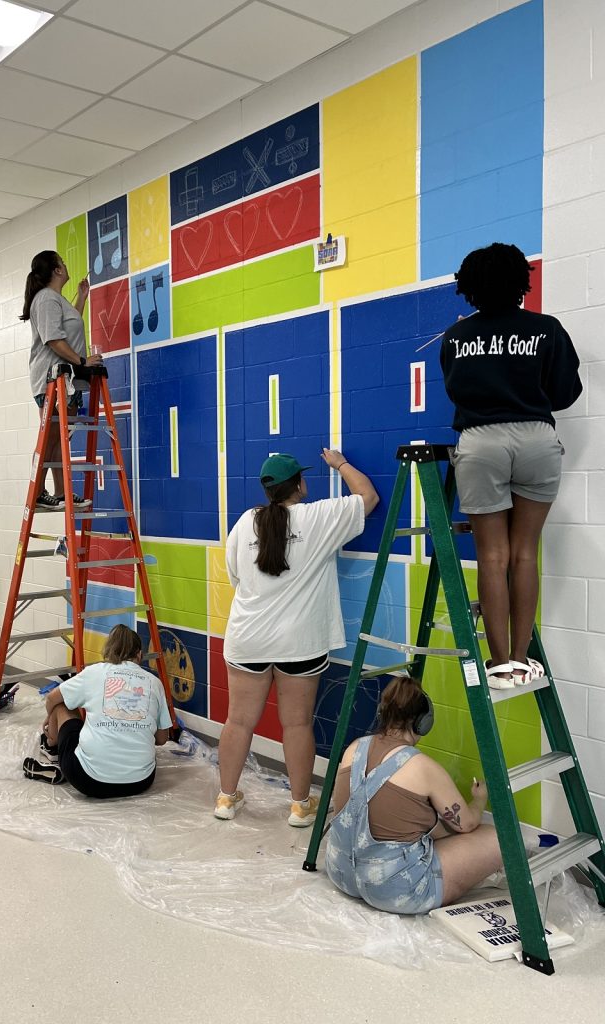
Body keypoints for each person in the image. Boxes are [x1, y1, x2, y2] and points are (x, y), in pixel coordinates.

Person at [440, 243, 582, 689]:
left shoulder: (456, 337)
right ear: (521, 280)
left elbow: (455, 391)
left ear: (470, 287)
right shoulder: (547, 329)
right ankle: (522, 659)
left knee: (492, 555)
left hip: (481, 442)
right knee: (524, 554)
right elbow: (565, 392)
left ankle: (499, 664)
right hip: (537, 438)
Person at [216, 449, 378, 825]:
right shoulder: (319, 516)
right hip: (299, 642)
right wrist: (340, 464)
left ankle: (225, 800)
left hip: (248, 637)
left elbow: (235, 575)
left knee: (238, 722)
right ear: (300, 485)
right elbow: (367, 497)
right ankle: (300, 806)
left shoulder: (245, 523)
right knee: (298, 724)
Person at [325, 675, 503, 914]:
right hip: (394, 892)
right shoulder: (423, 767)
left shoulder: (355, 748)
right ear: (423, 723)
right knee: (500, 840)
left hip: (342, 873)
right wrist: (479, 800)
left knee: (421, 825)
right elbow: (467, 824)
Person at [22, 625, 172, 796]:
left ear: (108, 651)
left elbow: (51, 698)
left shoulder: (94, 672)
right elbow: (161, 739)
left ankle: (52, 750)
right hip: (140, 782)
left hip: (87, 780)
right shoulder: (155, 683)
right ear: (139, 654)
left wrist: (51, 718)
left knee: (62, 704)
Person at [20, 250, 103, 510]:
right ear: (57, 270)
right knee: (51, 437)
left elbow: (68, 326)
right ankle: (38, 491)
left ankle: (61, 492)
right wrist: (81, 361)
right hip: (53, 379)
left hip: (67, 380)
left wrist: (81, 298)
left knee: (58, 439)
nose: (66, 267)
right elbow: (54, 339)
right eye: (63, 264)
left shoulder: (56, 299)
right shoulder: (45, 299)